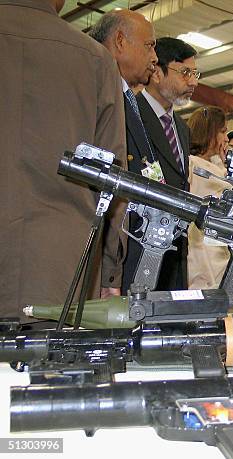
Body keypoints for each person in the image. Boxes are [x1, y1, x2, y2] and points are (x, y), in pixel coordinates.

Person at [0, 0, 127, 319]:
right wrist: (111, 272)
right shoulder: (95, 59)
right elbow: (112, 180)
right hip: (61, 272)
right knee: (49, 367)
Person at [89, 9, 160, 293]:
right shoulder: (97, 94)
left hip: (135, 248)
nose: (155, 57)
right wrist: (109, 271)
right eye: (149, 45)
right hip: (112, 256)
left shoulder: (127, 98)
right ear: (120, 41)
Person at [128, 37, 198, 292]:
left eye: (195, 73)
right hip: (139, 245)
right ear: (157, 73)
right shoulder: (130, 115)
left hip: (175, 247)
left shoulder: (181, 127)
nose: (193, 82)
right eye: (185, 72)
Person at [186, 106, 231, 289]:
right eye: (222, 132)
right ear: (208, 132)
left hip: (218, 250)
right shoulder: (191, 166)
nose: (226, 138)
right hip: (200, 252)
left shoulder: (215, 167)